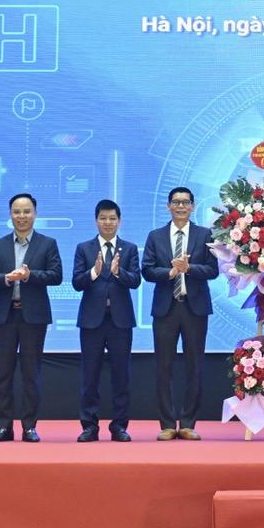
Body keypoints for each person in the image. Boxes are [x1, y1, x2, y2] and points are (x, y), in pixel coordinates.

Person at [0, 193, 62, 442]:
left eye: (27, 211)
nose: (22, 216)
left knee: (31, 373)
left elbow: (56, 275)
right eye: (17, 212)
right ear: (10, 215)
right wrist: (7, 278)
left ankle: (29, 427)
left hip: (33, 317)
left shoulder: (47, 244)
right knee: (3, 373)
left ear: (35, 214)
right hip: (5, 315)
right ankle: (4, 427)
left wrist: (29, 276)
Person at [142, 186, 218, 440]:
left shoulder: (204, 234)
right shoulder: (156, 236)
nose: (181, 206)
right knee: (163, 367)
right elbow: (147, 270)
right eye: (176, 202)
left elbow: (213, 270)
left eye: (185, 202)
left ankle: (187, 423)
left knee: (194, 366)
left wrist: (189, 268)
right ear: (168, 206)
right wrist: (171, 272)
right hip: (166, 308)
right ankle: (166, 424)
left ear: (193, 206)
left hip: (194, 308)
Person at [72, 200, 141, 442]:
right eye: (103, 218)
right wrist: (94, 271)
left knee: (121, 376)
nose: (108, 222)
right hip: (92, 321)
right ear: (96, 220)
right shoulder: (84, 248)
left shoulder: (129, 249)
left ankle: (119, 426)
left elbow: (136, 281)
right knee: (89, 376)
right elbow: (76, 282)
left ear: (119, 221)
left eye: (112, 218)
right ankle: (89, 426)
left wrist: (118, 272)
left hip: (120, 321)